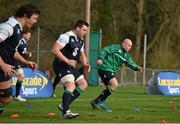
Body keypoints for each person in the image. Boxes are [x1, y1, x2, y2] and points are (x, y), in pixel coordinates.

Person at [0, 4, 40, 115]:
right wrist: (2, 64)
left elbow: (12, 51)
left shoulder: (18, 28)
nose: (36, 21)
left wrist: (26, 62)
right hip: (1, 65)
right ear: (26, 16)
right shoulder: (9, 26)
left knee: (6, 97)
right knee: (5, 97)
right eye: (35, 18)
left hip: (3, 66)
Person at [90, 38, 142, 112]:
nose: (130, 47)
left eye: (131, 46)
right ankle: (99, 101)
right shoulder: (115, 47)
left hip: (110, 71)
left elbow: (131, 63)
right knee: (114, 84)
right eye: (128, 45)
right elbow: (104, 50)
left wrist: (137, 68)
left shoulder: (126, 56)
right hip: (105, 67)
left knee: (112, 87)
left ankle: (96, 102)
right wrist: (100, 58)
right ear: (123, 44)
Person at [52, 20, 90, 119]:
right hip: (61, 65)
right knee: (70, 85)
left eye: (86, 31)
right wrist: (67, 61)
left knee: (83, 84)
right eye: (84, 30)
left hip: (70, 67)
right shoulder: (66, 36)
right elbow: (55, 50)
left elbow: (82, 54)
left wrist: (85, 64)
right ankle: (65, 112)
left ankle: (63, 105)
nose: (85, 33)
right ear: (77, 28)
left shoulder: (80, 40)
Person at [14, 29, 32, 101]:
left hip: (16, 62)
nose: (29, 36)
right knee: (21, 76)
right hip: (12, 61)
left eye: (30, 35)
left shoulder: (25, 43)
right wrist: (27, 53)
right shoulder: (20, 41)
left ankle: (17, 95)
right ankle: (16, 95)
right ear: (23, 34)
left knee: (21, 76)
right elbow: (22, 51)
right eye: (28, 35)